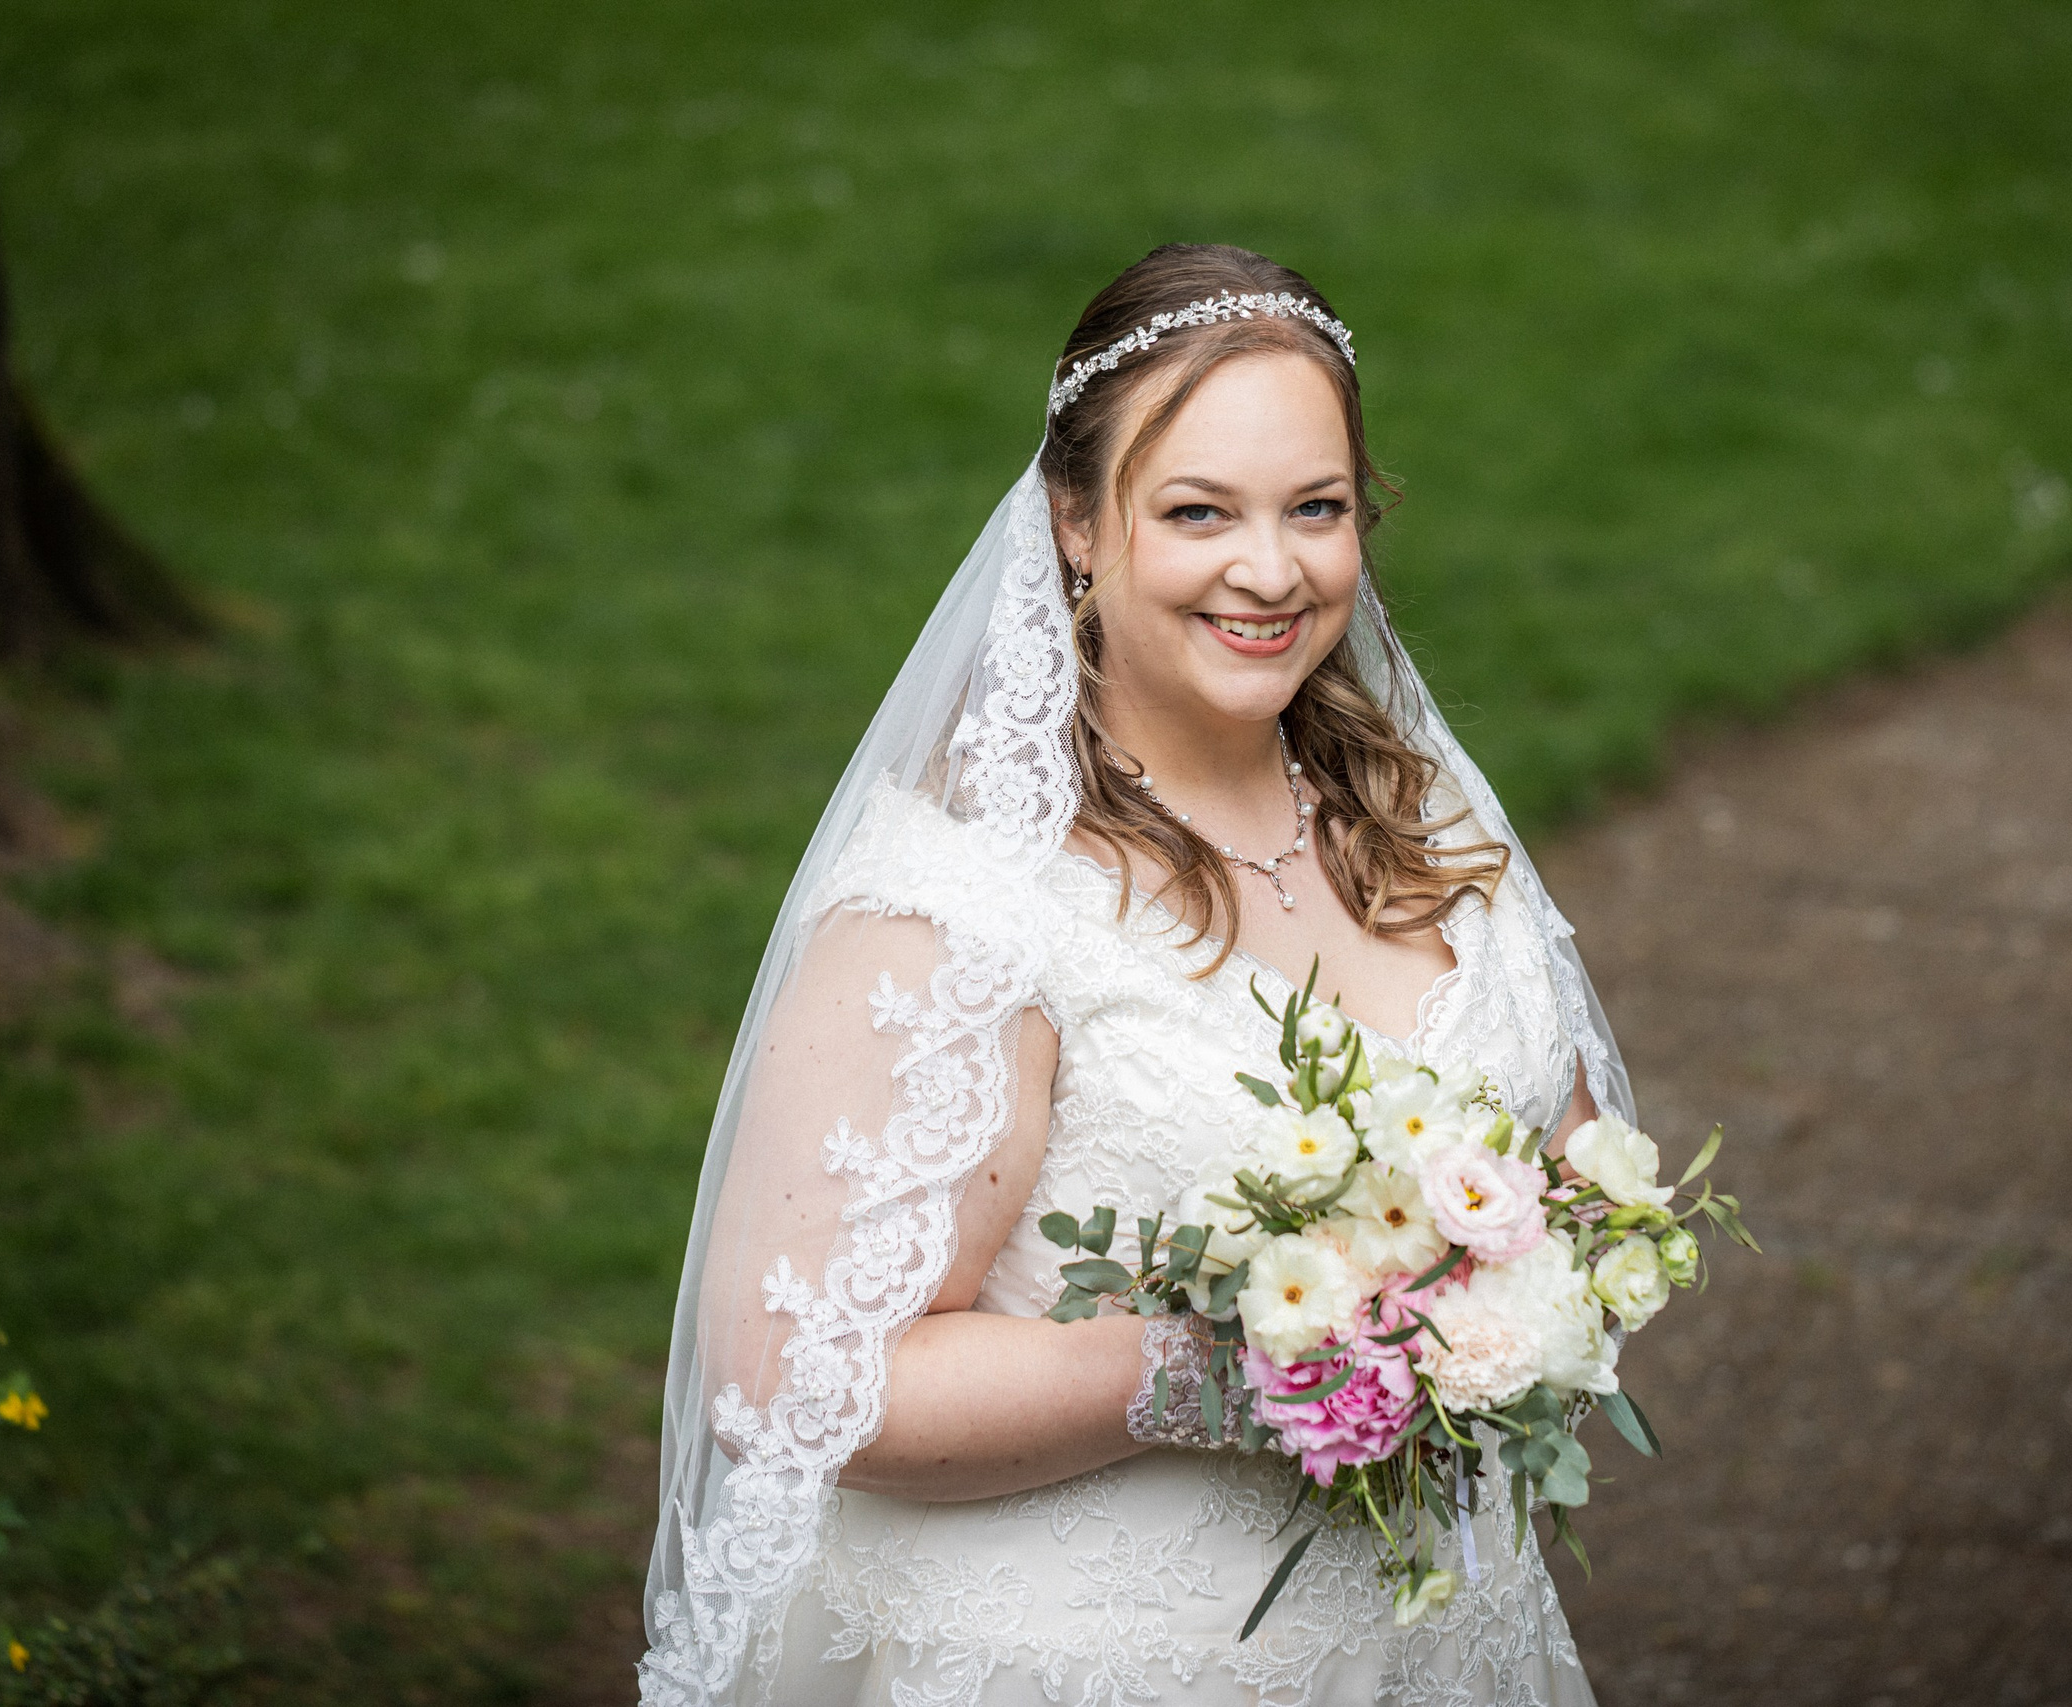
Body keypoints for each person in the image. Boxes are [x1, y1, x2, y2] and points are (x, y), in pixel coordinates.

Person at [639, 244, 1634, 1706]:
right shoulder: (966, 901)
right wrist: (1243, 1368)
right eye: (1197, 512)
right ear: (1075, 526)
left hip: (1437, 1650)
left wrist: (1539, 1281)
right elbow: (795, 1380)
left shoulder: (1422, 815)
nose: (1272, 570)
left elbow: (1572, 1160)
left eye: (1318, 509)